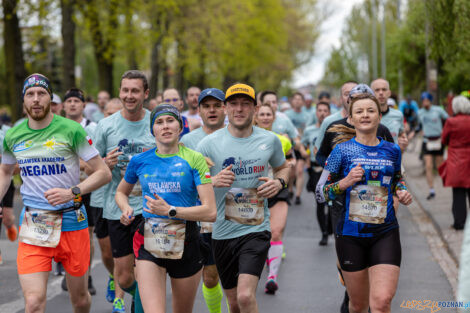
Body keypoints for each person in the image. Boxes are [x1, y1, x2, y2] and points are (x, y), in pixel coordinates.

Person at [0, 73, 111, 313]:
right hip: (34, 222)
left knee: (80, 299)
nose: (36, 99)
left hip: (72, 221)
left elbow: (103, 173)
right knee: (33, 302)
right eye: (30, 94)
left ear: (51, 99)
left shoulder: (71, 130)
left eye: (42, 94)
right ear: (24, 101)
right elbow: (6, 172)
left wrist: (73, 192)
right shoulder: (13, 135)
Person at [316, 91, 412, 313]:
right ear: (351, 118)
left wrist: (404, 192)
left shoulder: (393, 150)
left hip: (385, 232)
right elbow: (321, 193)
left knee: (381, 302)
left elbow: (397, 180)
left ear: (380, 116)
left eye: (371, 110)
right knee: (359, 306)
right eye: (359, 111)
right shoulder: (341, 151)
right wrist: (345, 182)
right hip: (351, 235)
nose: (365, 115)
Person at [197, 83, 290, 313]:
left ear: (255, 109)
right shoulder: (207, 144)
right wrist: (211, 181)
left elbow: (283, 167)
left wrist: (279, 182)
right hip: (222, 232)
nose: (239, 109)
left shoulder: (270, 140)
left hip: (256, 229)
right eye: (234, 104)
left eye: (245, 104)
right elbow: (192, 183)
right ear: (226, 108)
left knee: (246, 296)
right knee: (235, 304)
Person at [115, 104, 216, 313]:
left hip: (187, 240)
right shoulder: (140, 161)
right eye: (159, 122)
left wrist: (171, 210)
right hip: (149, 239)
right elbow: (120, 192)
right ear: (152, 130)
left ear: (180, 127)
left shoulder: (194, 159)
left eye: (170, 121)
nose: (165, 126)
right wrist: (125, 209)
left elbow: (210, 211)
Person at [94, 70, 156, 313]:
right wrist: (103, 165)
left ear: (146, 93)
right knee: (125, 279)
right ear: (120, 92)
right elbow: (89, 164)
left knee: (147, 272)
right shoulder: (106, 126)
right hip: (117, 209)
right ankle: (149, 300)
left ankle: (146, 307)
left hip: (152, 209)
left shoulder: (155, 122)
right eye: (125, 90)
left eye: (135, 91)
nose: (129, 96)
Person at [181, 88, 228, 313]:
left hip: (234, 213)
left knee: (233, 275)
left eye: (216, 106)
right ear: (198, 110)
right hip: (203, 215)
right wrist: (209, 180)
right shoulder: (187, 141)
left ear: (224, 109)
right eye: (206, 106)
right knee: (210, 277)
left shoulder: (237, 133)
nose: (212, 110)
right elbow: (179, 178)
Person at [86, 97, 127, 311]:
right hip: (101, 199)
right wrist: (103, 166)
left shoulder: (129, 133)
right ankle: (113, 275)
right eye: (107, 113)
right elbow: (85, 168)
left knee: (123, 255)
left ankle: (120, 297)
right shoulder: (98, 132)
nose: (110, 117)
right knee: (107, 253)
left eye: (115, 113)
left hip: (126, 201)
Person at [254, 103, 294, 294]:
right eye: (261, 114)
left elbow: (289, 162)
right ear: (256, 117)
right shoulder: (248, 139)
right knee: (257, 237)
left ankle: (272, 277)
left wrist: (288, 169)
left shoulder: (282, 140)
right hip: (254, 193)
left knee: (276, 232)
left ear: (274, 117)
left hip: (277, 191)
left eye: (268, 114)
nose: (265, 117)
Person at [62, 87, 98, 295]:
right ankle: (69, 271)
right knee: (65, 233)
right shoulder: (57, 127)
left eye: (77, 100)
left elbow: (98, 160)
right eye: (70, 101)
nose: (73, 104)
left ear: (84, 105)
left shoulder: (93, 128)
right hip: (65, 189)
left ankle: (87, 275)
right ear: (64, 105)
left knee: (86, 234)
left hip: (88, 187)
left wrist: (85, 163)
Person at [438, 95, 470, 230]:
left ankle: (459, 223)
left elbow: (444, 139)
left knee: (458, 193)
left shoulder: (451, 122)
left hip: (457, 159)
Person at [302, 101, 331, 245]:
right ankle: (324, 233)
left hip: (331, 170)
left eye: (325, 110)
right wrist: (305, 156)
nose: (322, 113)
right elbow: (302, 145)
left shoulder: (333, 130)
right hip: (315, 169)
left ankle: (330, 225)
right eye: (320, 110)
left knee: (331, 202)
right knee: (320, 202)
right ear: (316, 113)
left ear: (329, 113)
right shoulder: (309, 130)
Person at [314, 81, 358, 159]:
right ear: (341, 99)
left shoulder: (370, 120)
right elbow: (317, 151)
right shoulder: (329, 121)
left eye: (355, 92)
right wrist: (333, 168)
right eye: (346, 94)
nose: (351, 96)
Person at [418, 91, 449, 200]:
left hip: (438, 140)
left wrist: (446, 132)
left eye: (427, 100)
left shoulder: (438, 110)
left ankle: (445, 183)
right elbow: (418, 125)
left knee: (440, 164)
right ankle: (431, 189)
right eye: (423, 100)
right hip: (427, 141)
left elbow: (448, 120)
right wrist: (416, 131)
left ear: (430, 101)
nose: (425, 102)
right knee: (428, 165)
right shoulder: (420, 112)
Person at [285, 92, 309, 204]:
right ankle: (290, 189)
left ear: (303, 102)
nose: (297, 101)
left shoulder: (307, 115)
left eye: (300, 99)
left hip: (302, 145)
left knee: (299, 171)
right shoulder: (287, 115)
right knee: (292, 172)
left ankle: (298, 195)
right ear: (292, 101)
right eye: (295, 99)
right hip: (290, 145)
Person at [370, 78, 405, 145]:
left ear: (389, 93)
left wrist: (403, 143)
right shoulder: (366, 116)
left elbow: (401, 136)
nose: (381, 93)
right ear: (371, 94)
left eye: (384, 89)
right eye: (377, 90)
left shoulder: (398, 114)